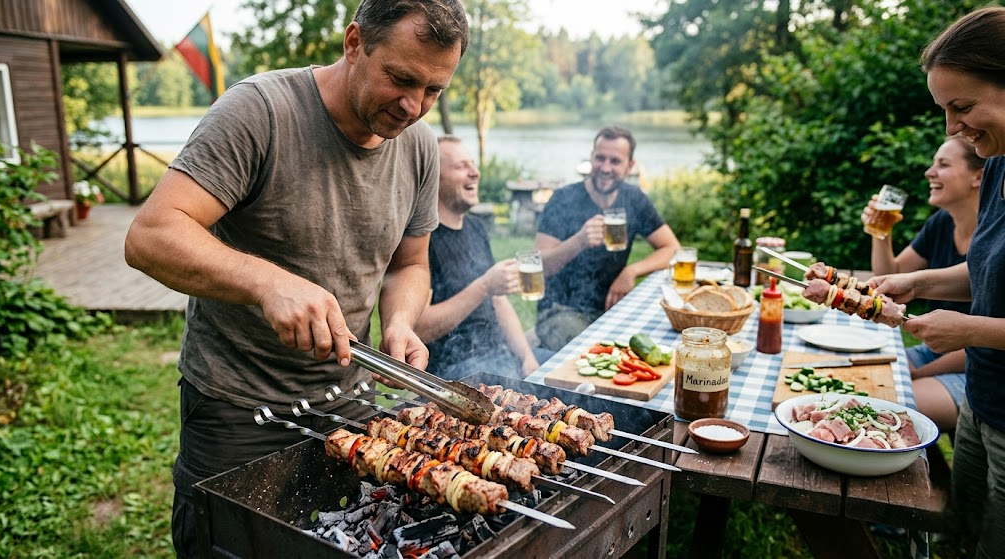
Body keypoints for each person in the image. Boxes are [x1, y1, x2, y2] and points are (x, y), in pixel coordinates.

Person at [122, 1, 469, 556]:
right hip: (240, 406)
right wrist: (268, 283)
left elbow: (410, 264)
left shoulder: (420, 148)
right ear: (355, 42)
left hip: (350, 400)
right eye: (401, 79)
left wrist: (401, 321)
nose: (413, 107)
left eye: (433, 91)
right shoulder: (260, 111)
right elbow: (152, 235)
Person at [869, 7, 1005, 556]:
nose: (952, 128)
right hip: (983, 400)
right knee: (962, 536)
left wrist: (969, 330)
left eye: (963, 106)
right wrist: (919, 280)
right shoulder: (997, 164)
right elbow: (985, 272)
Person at [861, 135, 984, 431]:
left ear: (978, 176)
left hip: (974, 365)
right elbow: (893, 274)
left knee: (882, 401)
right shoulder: (941, 222)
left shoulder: (992, 236)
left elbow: (981, 342)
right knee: (865, 375)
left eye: (942, 165)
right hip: (936, 350)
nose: (929, 172)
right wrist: (881, 232)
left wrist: (916, 372)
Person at [534, 125, 682, 351]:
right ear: (591, 158)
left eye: (615, 161)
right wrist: (578, 241)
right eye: (599, 158)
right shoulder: (564, 198)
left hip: (612, 310)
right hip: (560, 310)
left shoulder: (634, 199)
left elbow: (672, 248)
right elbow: (540, 266)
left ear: (630, 166)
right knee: (593, 354)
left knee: (664, 345)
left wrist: (631, 271)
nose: (605, 168)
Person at [415, 136, 546, 381]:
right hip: (457, 370)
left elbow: (499, 303)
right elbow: (419, 328)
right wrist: (484, 285)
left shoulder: (475, 228)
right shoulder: (422, 239)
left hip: (499, 355)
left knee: (563, 368)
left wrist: (527, 357)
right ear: (434, 176)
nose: (475, 173)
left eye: (473, 164)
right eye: (460, 166)